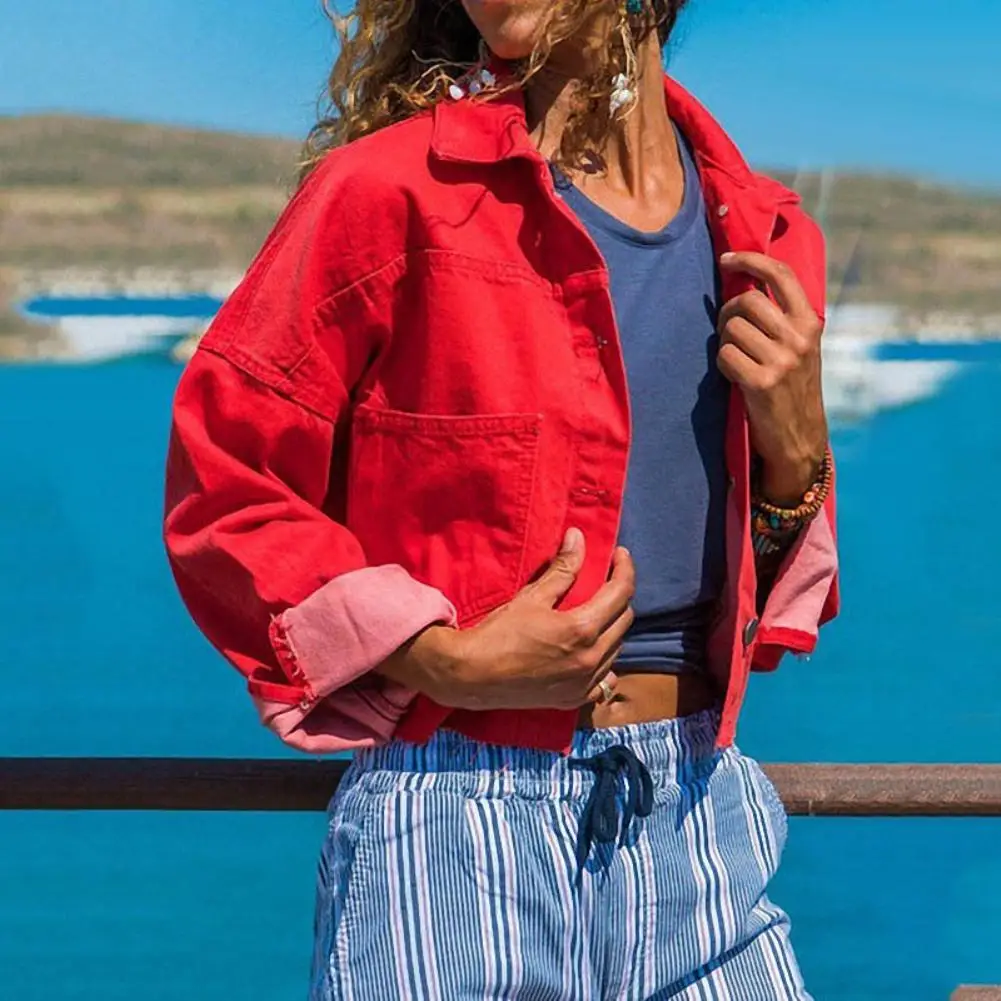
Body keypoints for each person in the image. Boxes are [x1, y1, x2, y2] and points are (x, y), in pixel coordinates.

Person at [164, 1, 839, 997]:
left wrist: (798, 452)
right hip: (451, 825)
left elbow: (764, 605)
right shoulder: (387, 192)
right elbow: (226, 481)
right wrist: (441, 656)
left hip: (699, 820)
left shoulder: (767, 235)